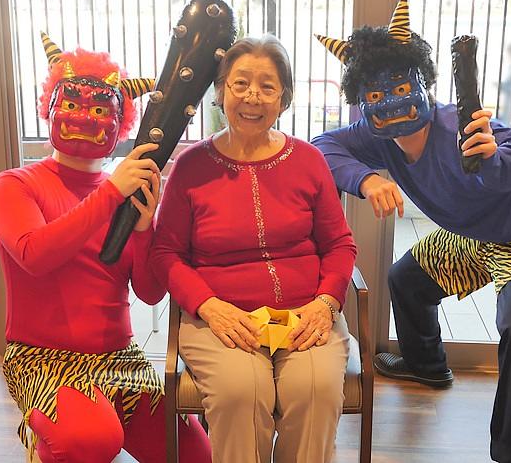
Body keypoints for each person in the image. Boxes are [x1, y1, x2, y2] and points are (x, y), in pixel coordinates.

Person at [312, 0, 511, 463]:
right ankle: (427, 366)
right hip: (477, 232)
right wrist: (365, 180)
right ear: (361, 102)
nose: (390, 104)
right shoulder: (376, 139)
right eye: (374, 96)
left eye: (401, 90)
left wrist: (495, 159)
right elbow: (322, 145)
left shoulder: (456, 126)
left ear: (422, 83)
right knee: (406, 278)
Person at [0, 34, 210, 463]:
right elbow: (35, 255)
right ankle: (52, 443)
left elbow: (149, 292)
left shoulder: (123, 190)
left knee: (195, 454)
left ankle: (89, 425)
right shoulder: (15, 185)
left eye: (99, 109)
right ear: (50, 107)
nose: (83, 117)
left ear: (120, 122)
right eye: (71, 104)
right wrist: (110, 194)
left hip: (120, 357)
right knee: (90, 440)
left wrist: (144, 229)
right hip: (42, 358)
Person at [151, 35, 357, 463]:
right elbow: (165, 253)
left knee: (315, 390)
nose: (252, 97)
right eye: (241, 83)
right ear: (221, 90)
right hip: (221, 319)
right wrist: (209, 306)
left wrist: (325, 303)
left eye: (267, 86)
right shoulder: (190, 166)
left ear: (284, 97)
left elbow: (339, 244)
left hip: (305, 315)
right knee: (240, 392)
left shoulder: (309, 160)